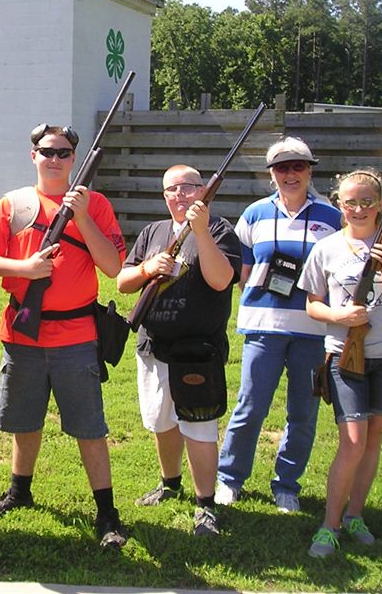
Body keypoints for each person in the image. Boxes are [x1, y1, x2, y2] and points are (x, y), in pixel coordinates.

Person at [0, 124, 128, 549]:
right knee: (24, 421)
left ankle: (107, 512)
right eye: (48, 152)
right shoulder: (14, 204)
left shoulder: (94, 204)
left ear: (74, 159)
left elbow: (113, 267)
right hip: (23, 334)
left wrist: (80, 217)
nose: (55, 160)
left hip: (77, 335)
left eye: (64, 153)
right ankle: (19, 491)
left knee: (89, 427)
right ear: (34, 156)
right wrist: (24, 270)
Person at [298, 169, 382, 558]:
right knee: (352, 441)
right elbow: (312, 304)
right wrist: (340, 318)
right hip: (343, 355)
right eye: (350, 202)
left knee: (373, 439)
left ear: (380, 205)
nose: (358, 209)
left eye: (367, 201)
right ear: (339, 204)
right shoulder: (327, 248)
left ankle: (355, 516)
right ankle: (329, 526)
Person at [216, 136, 341, 512]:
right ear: (271, 174)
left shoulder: (332, 217)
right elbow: (241, 271)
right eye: (281, 168)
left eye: (298, 166)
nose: (290, 174)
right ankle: (229, 478)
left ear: (309, 170)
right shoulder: (254, 214)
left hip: (312, 330)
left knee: (303, 411)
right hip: (263, 325)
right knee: (250, 406)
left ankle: (287, 484)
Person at [117, 165, 241, 537]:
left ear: (203, 191)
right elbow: (123, 283)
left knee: (200, 425)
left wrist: (200, 232)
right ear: (164, 195)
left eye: (189, 187)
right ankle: (169, 483)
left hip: (197, 352)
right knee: (161, 420)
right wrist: (147, 269)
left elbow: (221, 280)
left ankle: (206, 505)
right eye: (172, 189)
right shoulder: (152, 232)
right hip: (154, 346)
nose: (180, 195)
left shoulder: (219, 230)